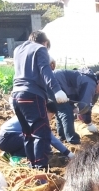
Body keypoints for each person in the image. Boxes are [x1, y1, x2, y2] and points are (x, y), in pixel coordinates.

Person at [11, 31, 68, 170]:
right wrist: (57, 89)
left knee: (28, 134)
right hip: (32, 96)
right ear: (45, 43)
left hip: (16, 96)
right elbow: (44, 70)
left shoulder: (18, 49)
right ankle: (41, 170)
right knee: (41, 133)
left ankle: (32, 166)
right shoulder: (40, 48)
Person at [50, 65, 99, 144]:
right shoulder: (91, 83)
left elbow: (74, 96)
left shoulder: (88, 79)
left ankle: (63, 137)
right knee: (66, 112)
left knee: (62, 110)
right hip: (56, 82)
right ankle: (73, 140)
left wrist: (75, 108)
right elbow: (85, 105)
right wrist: (89, 123)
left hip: (55, 82)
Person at [0, 101, 73, 162]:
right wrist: (68, 154)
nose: (50, 119)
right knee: (37, 141)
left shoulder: (32, 113)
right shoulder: (38, 118)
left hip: (6, 138)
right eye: (52, 115)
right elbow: (51, 138)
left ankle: (9, 153)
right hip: (7, 139)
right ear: (46, 111)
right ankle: (18, 158)